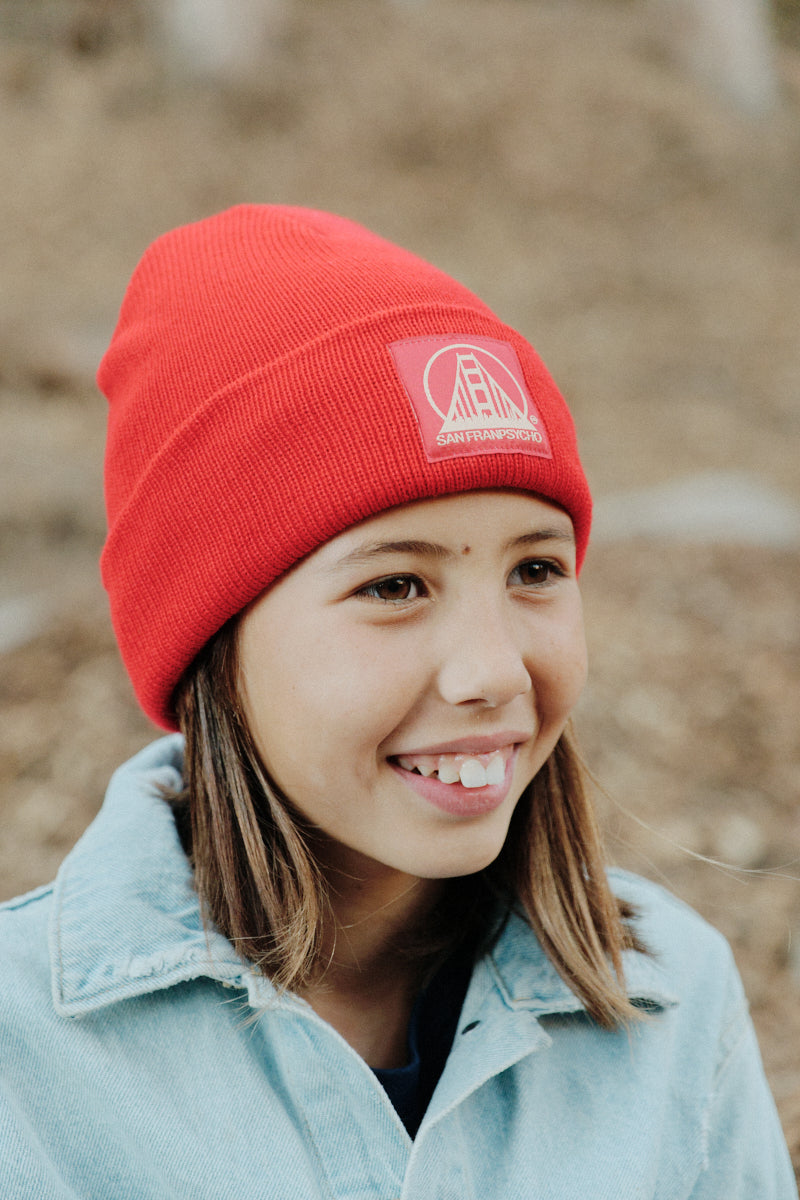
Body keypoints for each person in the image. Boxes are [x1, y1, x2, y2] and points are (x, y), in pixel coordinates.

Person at [1, 205, 795, 1199]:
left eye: (536, 569)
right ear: (210, 640)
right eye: (394, 586)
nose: (494, 672)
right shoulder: (21, 1067)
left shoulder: (669, 999)